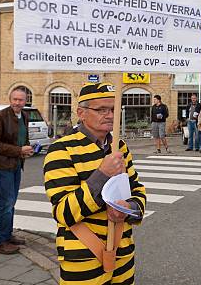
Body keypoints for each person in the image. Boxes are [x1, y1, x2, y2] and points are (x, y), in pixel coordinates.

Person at [44, 83, 146, 284]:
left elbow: (137, 190)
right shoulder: (62, 149)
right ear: (81, 113)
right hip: (82, 254)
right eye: (102, 109)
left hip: (122, 250)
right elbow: (64, 213)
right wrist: (101, 174)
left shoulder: (119, 146)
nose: (110, 115)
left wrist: (130, 208)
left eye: (114, 109)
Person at [0, 87, 33, 254]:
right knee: (6, 203)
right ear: (10, 99)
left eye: (20, 100)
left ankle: (7, 235)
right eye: (14, 99)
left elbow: (22, 138)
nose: (17, 102)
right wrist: (19, 150)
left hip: (15, 165)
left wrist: (26, 151)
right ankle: (0, 243)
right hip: (1, 166)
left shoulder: (25, 116)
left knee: (11, 202)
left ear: (25, 101)